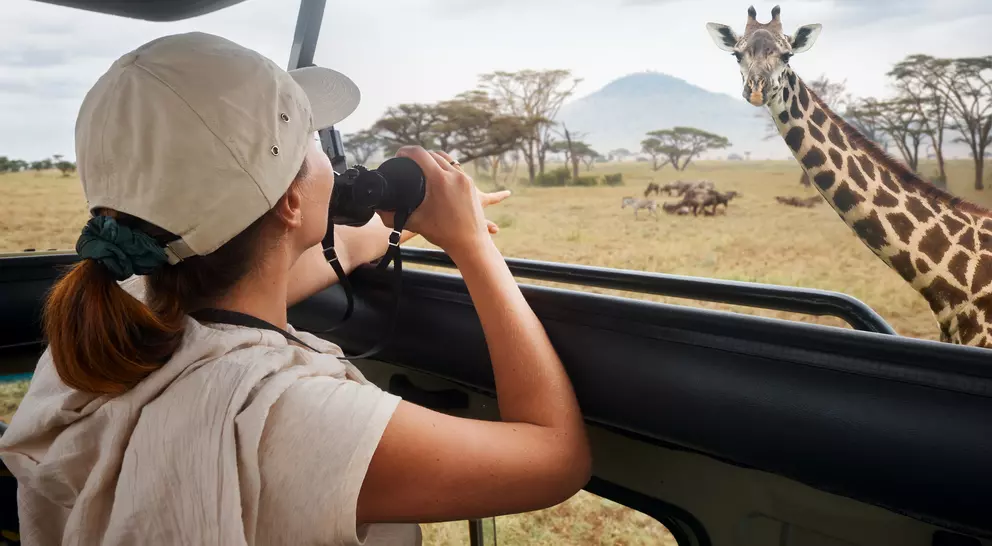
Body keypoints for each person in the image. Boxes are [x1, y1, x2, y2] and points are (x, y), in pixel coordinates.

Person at [0, 31, 591, 545]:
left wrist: (404, 222)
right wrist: (473, 248)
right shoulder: (285, 414)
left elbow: (297, 259)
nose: (329, 158)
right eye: (312, 141)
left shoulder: (107, 326)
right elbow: (557, 459)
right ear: (289, 200)